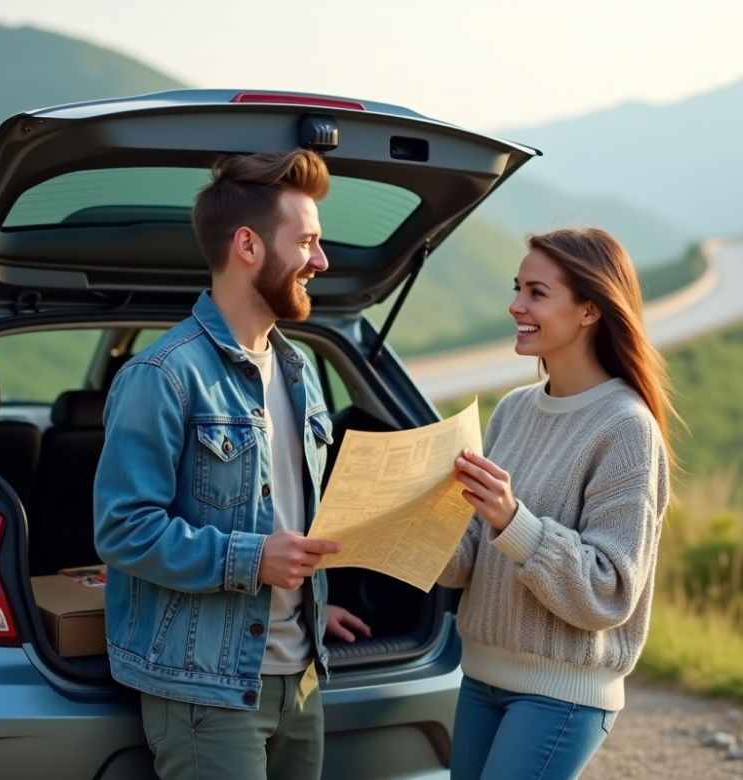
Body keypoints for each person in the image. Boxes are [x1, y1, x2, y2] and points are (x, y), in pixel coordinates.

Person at [94, 149, 371, 780]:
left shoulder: (300, 372)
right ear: (248, 245)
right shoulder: (163, 375)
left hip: (300, 676)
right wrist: (252, 559)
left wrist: (309, 603)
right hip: (205, 689)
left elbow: (290, 515)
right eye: (306, 241)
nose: (322, 261)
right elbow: (122, 528)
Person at [439, 228, 675, 780]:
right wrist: (416, 524)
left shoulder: (626, 427)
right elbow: (466, 564)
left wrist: (511, 520)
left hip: (561, 694)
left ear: (590, 310)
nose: (515, 305)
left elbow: (609, 589)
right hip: (480, 678)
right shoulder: (514, 410)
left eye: (536, 293)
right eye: (517, 287)